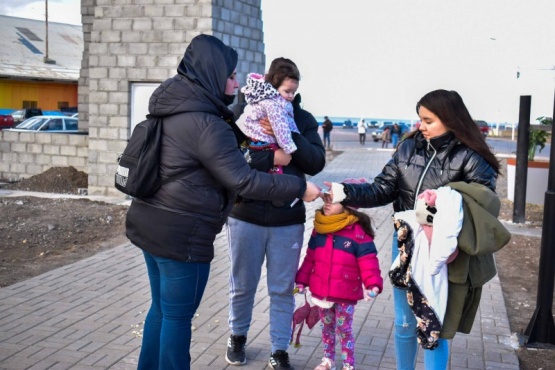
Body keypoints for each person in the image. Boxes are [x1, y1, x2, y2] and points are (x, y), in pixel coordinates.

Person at [125, 35, 321, 370]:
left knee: (161, 309)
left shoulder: (173, 107)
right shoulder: (208, 123)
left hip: (149, 224)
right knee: (176, 316)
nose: (237, 81)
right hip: (182, 234)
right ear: (213, 74)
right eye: (231, 75)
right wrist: (297, 188)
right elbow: (243, 178)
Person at [322, 89, 501, 370]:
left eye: (428, 120)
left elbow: (483, 206)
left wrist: (438, 209)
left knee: (435, 327)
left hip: (443, 251)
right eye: (420, 119)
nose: (422, 126)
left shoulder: (471, 157)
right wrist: (343, 192)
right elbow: (381, 189)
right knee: (404, 322)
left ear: (450, 118)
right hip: (404, 243)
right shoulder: (407, 148)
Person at [225, 70, 326, 368]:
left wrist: (287, 128)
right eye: (284, 91)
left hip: (288, 219)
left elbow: (316, 162)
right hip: (246, 215)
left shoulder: (304, 119)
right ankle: (237, 335)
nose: (289, 96)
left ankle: (279, 349)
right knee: (242, 284)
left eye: (293, 92)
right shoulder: (242, 114)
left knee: (282, 289)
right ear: (269, 87)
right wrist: (271, 158)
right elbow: (230, 160)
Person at [295, 182, 383, 370]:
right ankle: (328, 360)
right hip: (322, 292)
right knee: (326, 328)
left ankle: (348, 364)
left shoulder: (358, 233)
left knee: (344, 329)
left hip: (345, 292)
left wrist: (372, 284)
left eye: (333, 200)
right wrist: (301, 280)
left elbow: (369, 262)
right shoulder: (320, 228)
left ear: (348, 205)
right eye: (326, 197)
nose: (327, 202)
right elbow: (310, 258)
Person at [236, 58, 301, 174]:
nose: (291, 96)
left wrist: (296, 135)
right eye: (287, 91)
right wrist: (290, 147)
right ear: (275, 87)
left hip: (258, 141)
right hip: (262, 141)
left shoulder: (279, 103)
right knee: (275, 172)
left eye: (293, 92)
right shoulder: (273, 104)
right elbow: (280, 127)